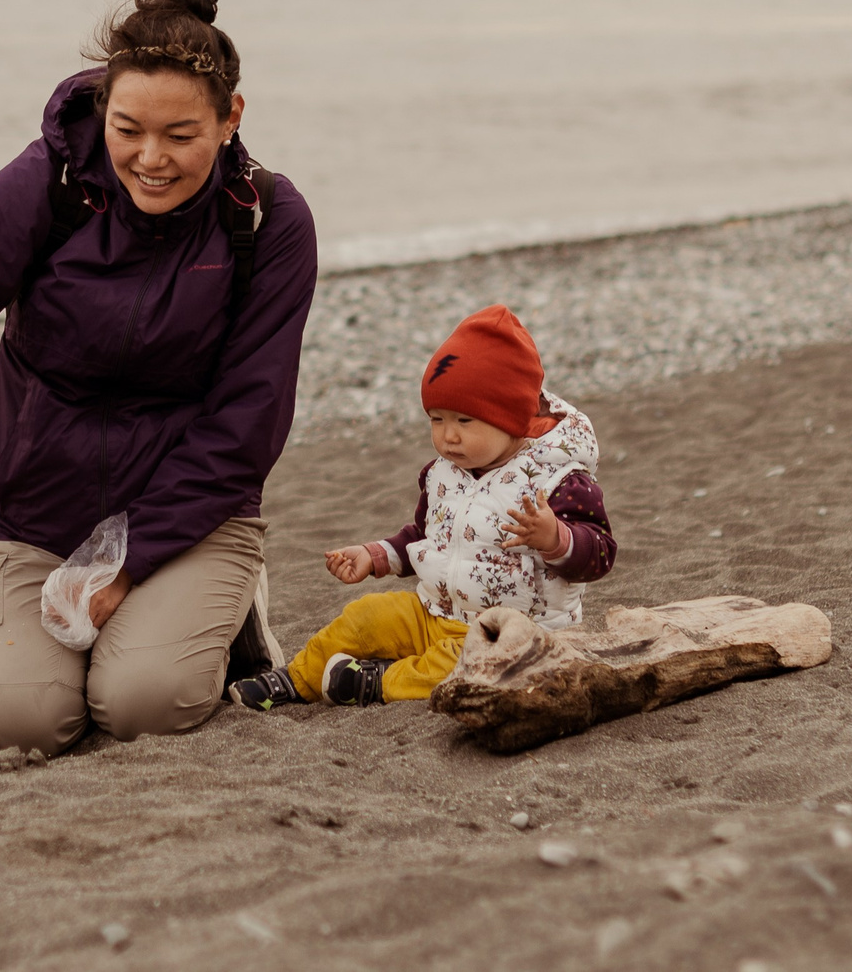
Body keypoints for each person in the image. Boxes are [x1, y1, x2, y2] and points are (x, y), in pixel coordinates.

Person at [0, 0, 319, 754]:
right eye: (128, 129)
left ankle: (222, 608)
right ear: (104, 106)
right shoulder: (52, 183)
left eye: (181, 134)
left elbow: (244, 426)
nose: (151, 158)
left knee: (140, 705)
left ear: (230, 115)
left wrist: (128, 566)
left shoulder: (269, 221)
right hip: (33, 513)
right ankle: (129, 630)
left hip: (188, 520)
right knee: (22, 723)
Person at [230, 304, 617, 709]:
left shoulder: (558, 480)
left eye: (465, 422)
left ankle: (378, 682)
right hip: (434, 610)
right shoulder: (443, 473)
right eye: (436, 419)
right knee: (365, 616)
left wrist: (556, 539)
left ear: (512, 417)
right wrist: (376, 555)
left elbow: (601, 553)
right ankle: (295, 681)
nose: (448, 436)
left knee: (462, 666)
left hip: (512, 634)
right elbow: (427, 535)